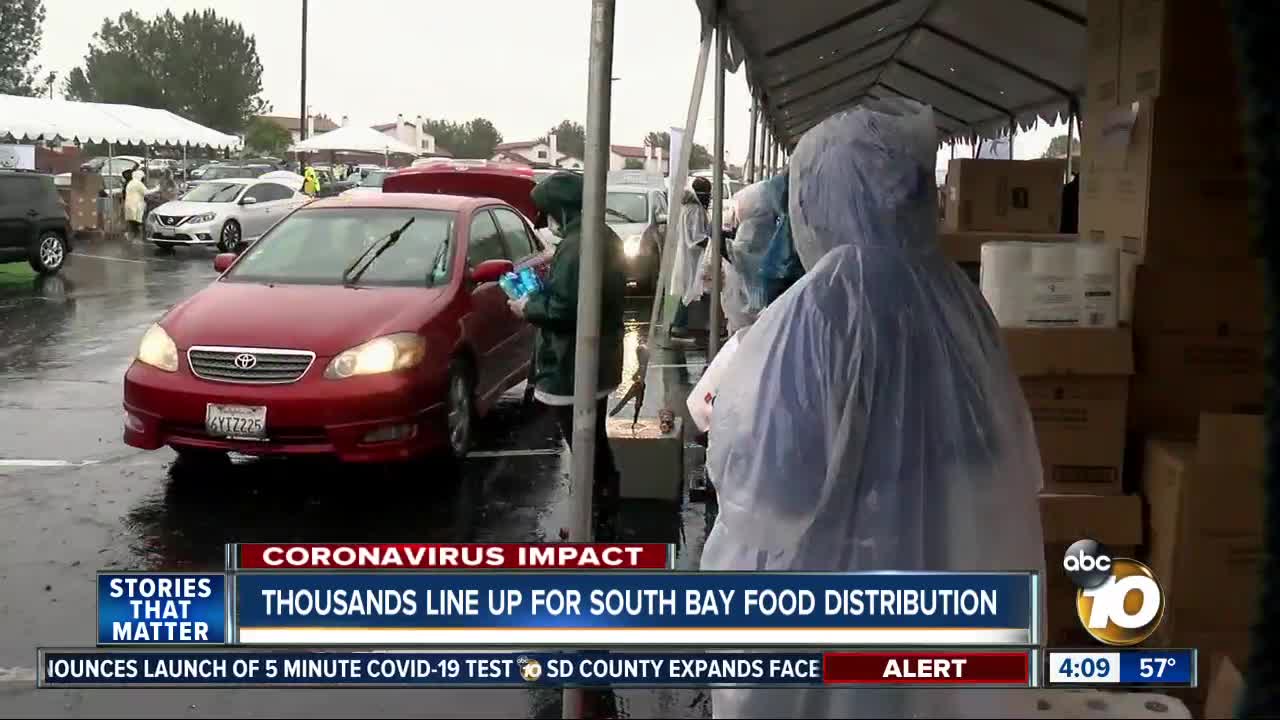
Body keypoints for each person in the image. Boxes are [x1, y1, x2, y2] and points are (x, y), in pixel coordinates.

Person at [702, 100, 1045, 719]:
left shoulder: (823, 308)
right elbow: (1004, 452)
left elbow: (770, 492)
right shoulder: (960, 300)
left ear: (822, 195)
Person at [508, 171, 626, 542]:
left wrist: (528, 305)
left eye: (547, 212)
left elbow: (564, 310)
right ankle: (600, 515)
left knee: (587, 447)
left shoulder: (578, 244)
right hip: (599, 358)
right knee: (593, 443)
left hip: (573, 362)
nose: (546, 221)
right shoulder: (601, 236)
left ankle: (593, 524)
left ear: (561, 208)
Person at [668, 177, 713, 339]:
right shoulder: (695, 210)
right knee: (692, 290)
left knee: (692, 289)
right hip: (694, 256)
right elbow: (696, 238)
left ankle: (687, 324)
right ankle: (680, 325)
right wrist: (714, 242)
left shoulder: (689, 207)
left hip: (690, 255)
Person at [123, 169, 147, 240]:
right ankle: (135, 235)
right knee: (135, 221)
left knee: (133, 221)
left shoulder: (131, 183)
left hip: (133, 204)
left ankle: (133, 235)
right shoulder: (135, 183)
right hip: (135, 204)